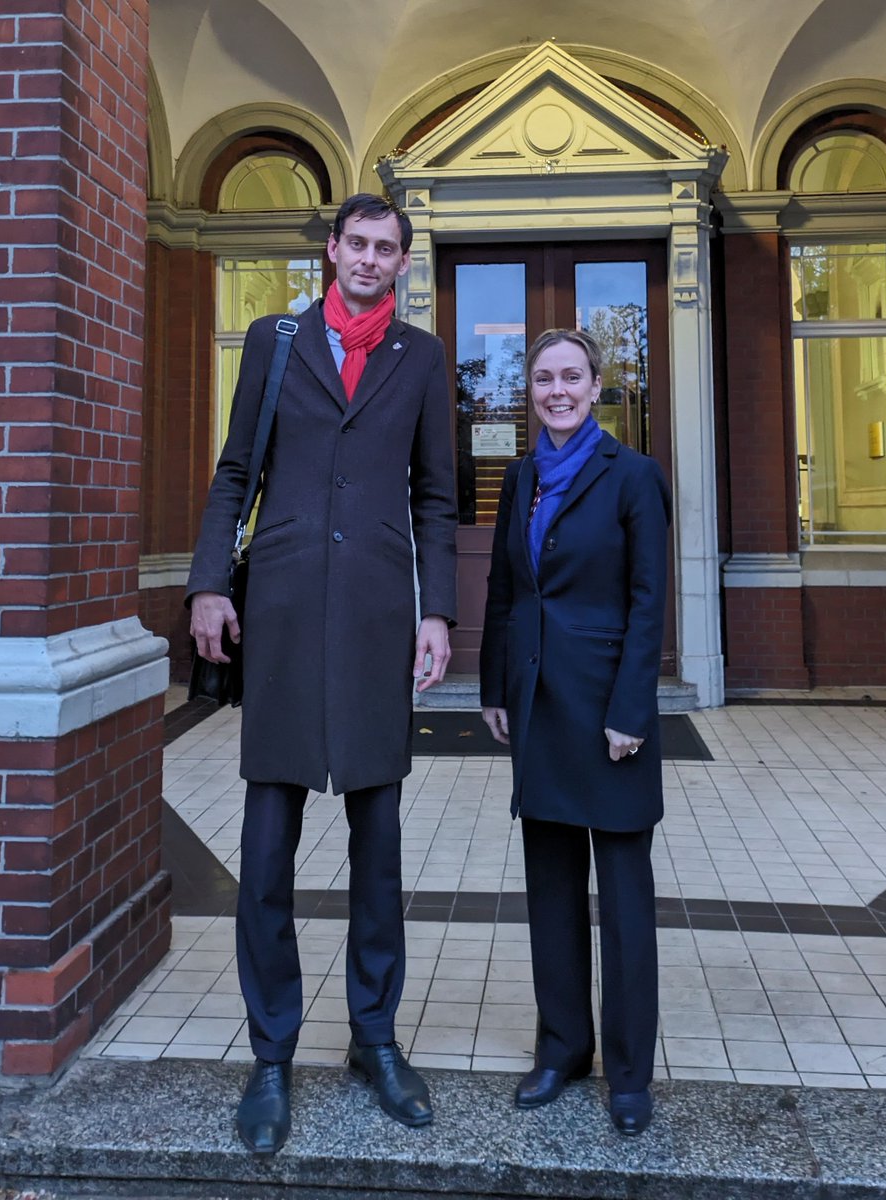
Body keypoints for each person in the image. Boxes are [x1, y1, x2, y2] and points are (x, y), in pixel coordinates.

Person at [186, 193, 458, 1154]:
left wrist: (435, 611)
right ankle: (271, 1055)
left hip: (380, 618)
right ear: (332, 249)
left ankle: (374, 1040)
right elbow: (232, 475)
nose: (372, 260)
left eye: (389, 249)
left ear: (401, 262)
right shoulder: (275, 340)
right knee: (267, 849)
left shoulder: (420, 358)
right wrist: (209, 588)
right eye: (359, 244)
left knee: (376, 849)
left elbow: (436, 494)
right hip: (286, 615)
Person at [479, 328, 671, 1136]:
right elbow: (501, 589)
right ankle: (563, 1049)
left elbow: (647, 598)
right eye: (543, 379)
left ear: (597, 387)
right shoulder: (518, 478)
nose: (556, 390)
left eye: (571, 377)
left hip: (608, 713)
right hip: (537, 708)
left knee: (623, 899)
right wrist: (491, 685)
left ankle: (628, 1074)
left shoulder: (632, 476)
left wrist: (632, 709)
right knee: (551, 893)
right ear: (531, 393)